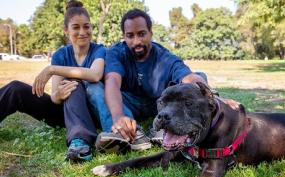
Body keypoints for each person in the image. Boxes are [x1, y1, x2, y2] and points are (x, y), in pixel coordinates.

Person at [95, 9, 239, 153]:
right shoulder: (116, 52)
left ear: (151, 33)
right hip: (128, 103)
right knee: (98, 87)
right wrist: (119, 116)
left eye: (142, 34)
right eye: (130, 36)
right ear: (124, 36)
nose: (137, 41)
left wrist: (213, 96)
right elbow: (112, 81)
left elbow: (189, 77)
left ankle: (164, 128)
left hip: (160, 104)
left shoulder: (165, 57)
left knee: (200, 76)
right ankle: (125, 132)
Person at [0, 0, 109, 162]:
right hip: (65, 111)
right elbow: (54, 99)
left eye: (87, 26)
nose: (82, 32)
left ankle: (81, 142)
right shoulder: (60, 54)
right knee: (16, 88)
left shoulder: (99, 50)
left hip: (91, 113)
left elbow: (94, 75)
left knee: (74, 82)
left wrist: (52, 69)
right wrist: (59, 94)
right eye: (76, 27)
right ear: (66, 30)